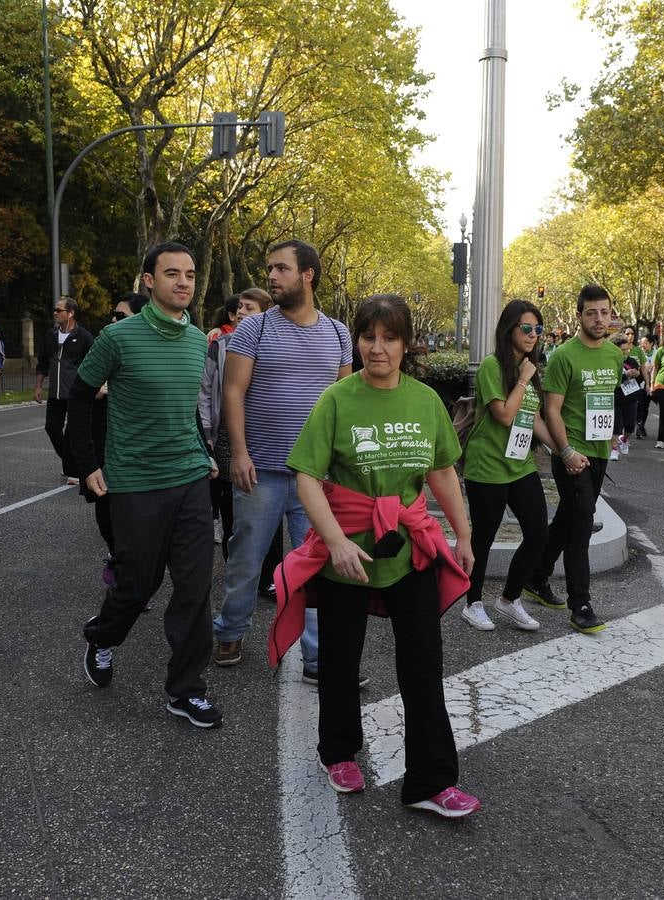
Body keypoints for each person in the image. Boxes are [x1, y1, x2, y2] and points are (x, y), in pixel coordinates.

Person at [276, 294, 480, 818]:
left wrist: (463, 534)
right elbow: (307, 477)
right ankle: (338, 750)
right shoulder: (338, 399)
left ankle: (431, 782)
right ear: (358, 340)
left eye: (389, 338)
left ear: (406, 343)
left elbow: (441, 474)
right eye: (368, 337)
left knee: (423, 664)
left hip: (409, 549)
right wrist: (337, 543)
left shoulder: (425, 401)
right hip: (347, 549)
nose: (378, 348)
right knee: (341, 662)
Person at [69, 242, 223, 729]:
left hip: (191, 478)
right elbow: (77, 397)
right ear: (148, 282)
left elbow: (186, 410)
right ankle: (103, 635)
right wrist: (86, 462)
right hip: (134, 483)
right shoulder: (119, 338)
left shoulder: (200, 340)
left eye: (191, 274)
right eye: (172, 273)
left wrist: (205, 452)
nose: (183, 282)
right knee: (138, 583)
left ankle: (186, 689)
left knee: (196, 588)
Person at [212, 240, 352, 677]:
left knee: (314, 567)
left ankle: (316, 655)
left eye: (282, 269)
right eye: (269, 268)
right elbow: (232, 391)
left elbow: (344, 403)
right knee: (246, 559)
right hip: (261, 472)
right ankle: (230, 631)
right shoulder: (254, 329)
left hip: (316, 478)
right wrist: (238, 453)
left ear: (308, 274)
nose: (271, 276)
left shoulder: (338, 333)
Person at [521, 285, 623, 634]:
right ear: (578, 315)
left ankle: (536, 575)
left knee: (568, 518)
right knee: (581, 526)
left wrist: (612, 432)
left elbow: (607, 398)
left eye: (604, 312)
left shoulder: (614, 354)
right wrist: (564, 452)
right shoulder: (564, 355)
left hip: (599, 452)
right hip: (572, 453)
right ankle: (580, 603)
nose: (599, 319)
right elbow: (552, 409)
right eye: (591, 312)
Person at [460, 300, 552, 632]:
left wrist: (565, 451)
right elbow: (504, 415)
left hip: (520, 463)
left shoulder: (527, 368)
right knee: (482, 538)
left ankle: (509, 599)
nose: (532, 335)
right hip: (488, 465)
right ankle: (472, 603)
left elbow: (533, 419)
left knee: (539, 531)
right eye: (526, 328)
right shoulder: (492, 366)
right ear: (509, 329)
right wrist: (525, 379)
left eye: (537, 329)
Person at [81, 293, 148, 586]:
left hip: (142, 448)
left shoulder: (154, 351)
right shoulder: (106, 343)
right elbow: (80, 392)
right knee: (105, 509)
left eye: (120, 316)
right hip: (104, 438)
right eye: (113, 314)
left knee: (139, 518)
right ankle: (118, 557)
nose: (113, 320)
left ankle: (135, 573)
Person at [199, 287, 270, 552]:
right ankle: (232, 552)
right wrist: (207, 433)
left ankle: (268, 573)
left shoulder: (273, 346)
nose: (240, 313)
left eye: (249, 308)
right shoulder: (218, 345)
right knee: (231, 500)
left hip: (262, 437)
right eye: (239, 307)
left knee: (264, 505)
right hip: (226, 436)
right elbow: (205, 392)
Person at [35, 297, 93, 483]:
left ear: (71, 313)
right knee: (51, 428)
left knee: (73, 431)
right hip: (55, 394)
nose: (55, 313)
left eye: (59, 310)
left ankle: (74, 468)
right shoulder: (50, 335)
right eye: (55, 310)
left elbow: (93, 364)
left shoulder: (84, 337)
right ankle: (69, 461)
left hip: (76, 393)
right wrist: (38, 386)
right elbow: (43, 362)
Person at [612, 333, 643, 459]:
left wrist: (636, 374)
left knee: (630, 426)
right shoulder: (611, 362)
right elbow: (612, 378)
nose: (625, 352)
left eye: (627, 350)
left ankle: (624, 440)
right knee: (615, 425)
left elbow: (639, 376)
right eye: (622, 350)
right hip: (616, 397)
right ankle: (613, 449)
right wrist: (625, 375)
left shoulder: (632, 361)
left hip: (631, 397)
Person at [636, 333, 655, 438]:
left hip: (652, 384)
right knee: (639, 405)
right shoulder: (638, 352)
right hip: (639, 384)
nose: (642, 345)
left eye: (645, 343)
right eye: (641, 342)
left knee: (645, 407)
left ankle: (642, 425)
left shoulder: (656, 353)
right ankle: (639, 426)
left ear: (651, 343)